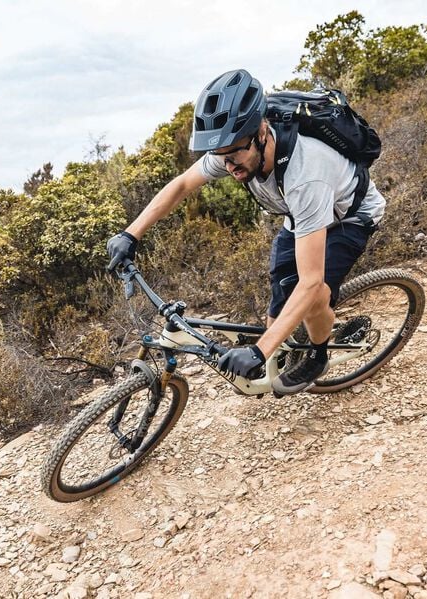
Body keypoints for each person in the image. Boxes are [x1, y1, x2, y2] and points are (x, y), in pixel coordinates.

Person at [105, 68, 385, 395]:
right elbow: (181, 185)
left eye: (235, 153)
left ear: (262, 131)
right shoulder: (232, 149)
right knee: (281, 292)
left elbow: (310, 282)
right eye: (220, 156)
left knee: (313, 294)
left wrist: (259, 351)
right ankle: (287, 349)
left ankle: (318, 355)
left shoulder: (306, 172)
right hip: (300, 216)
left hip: (350, 216)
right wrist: (131, 234)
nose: (229, 165)